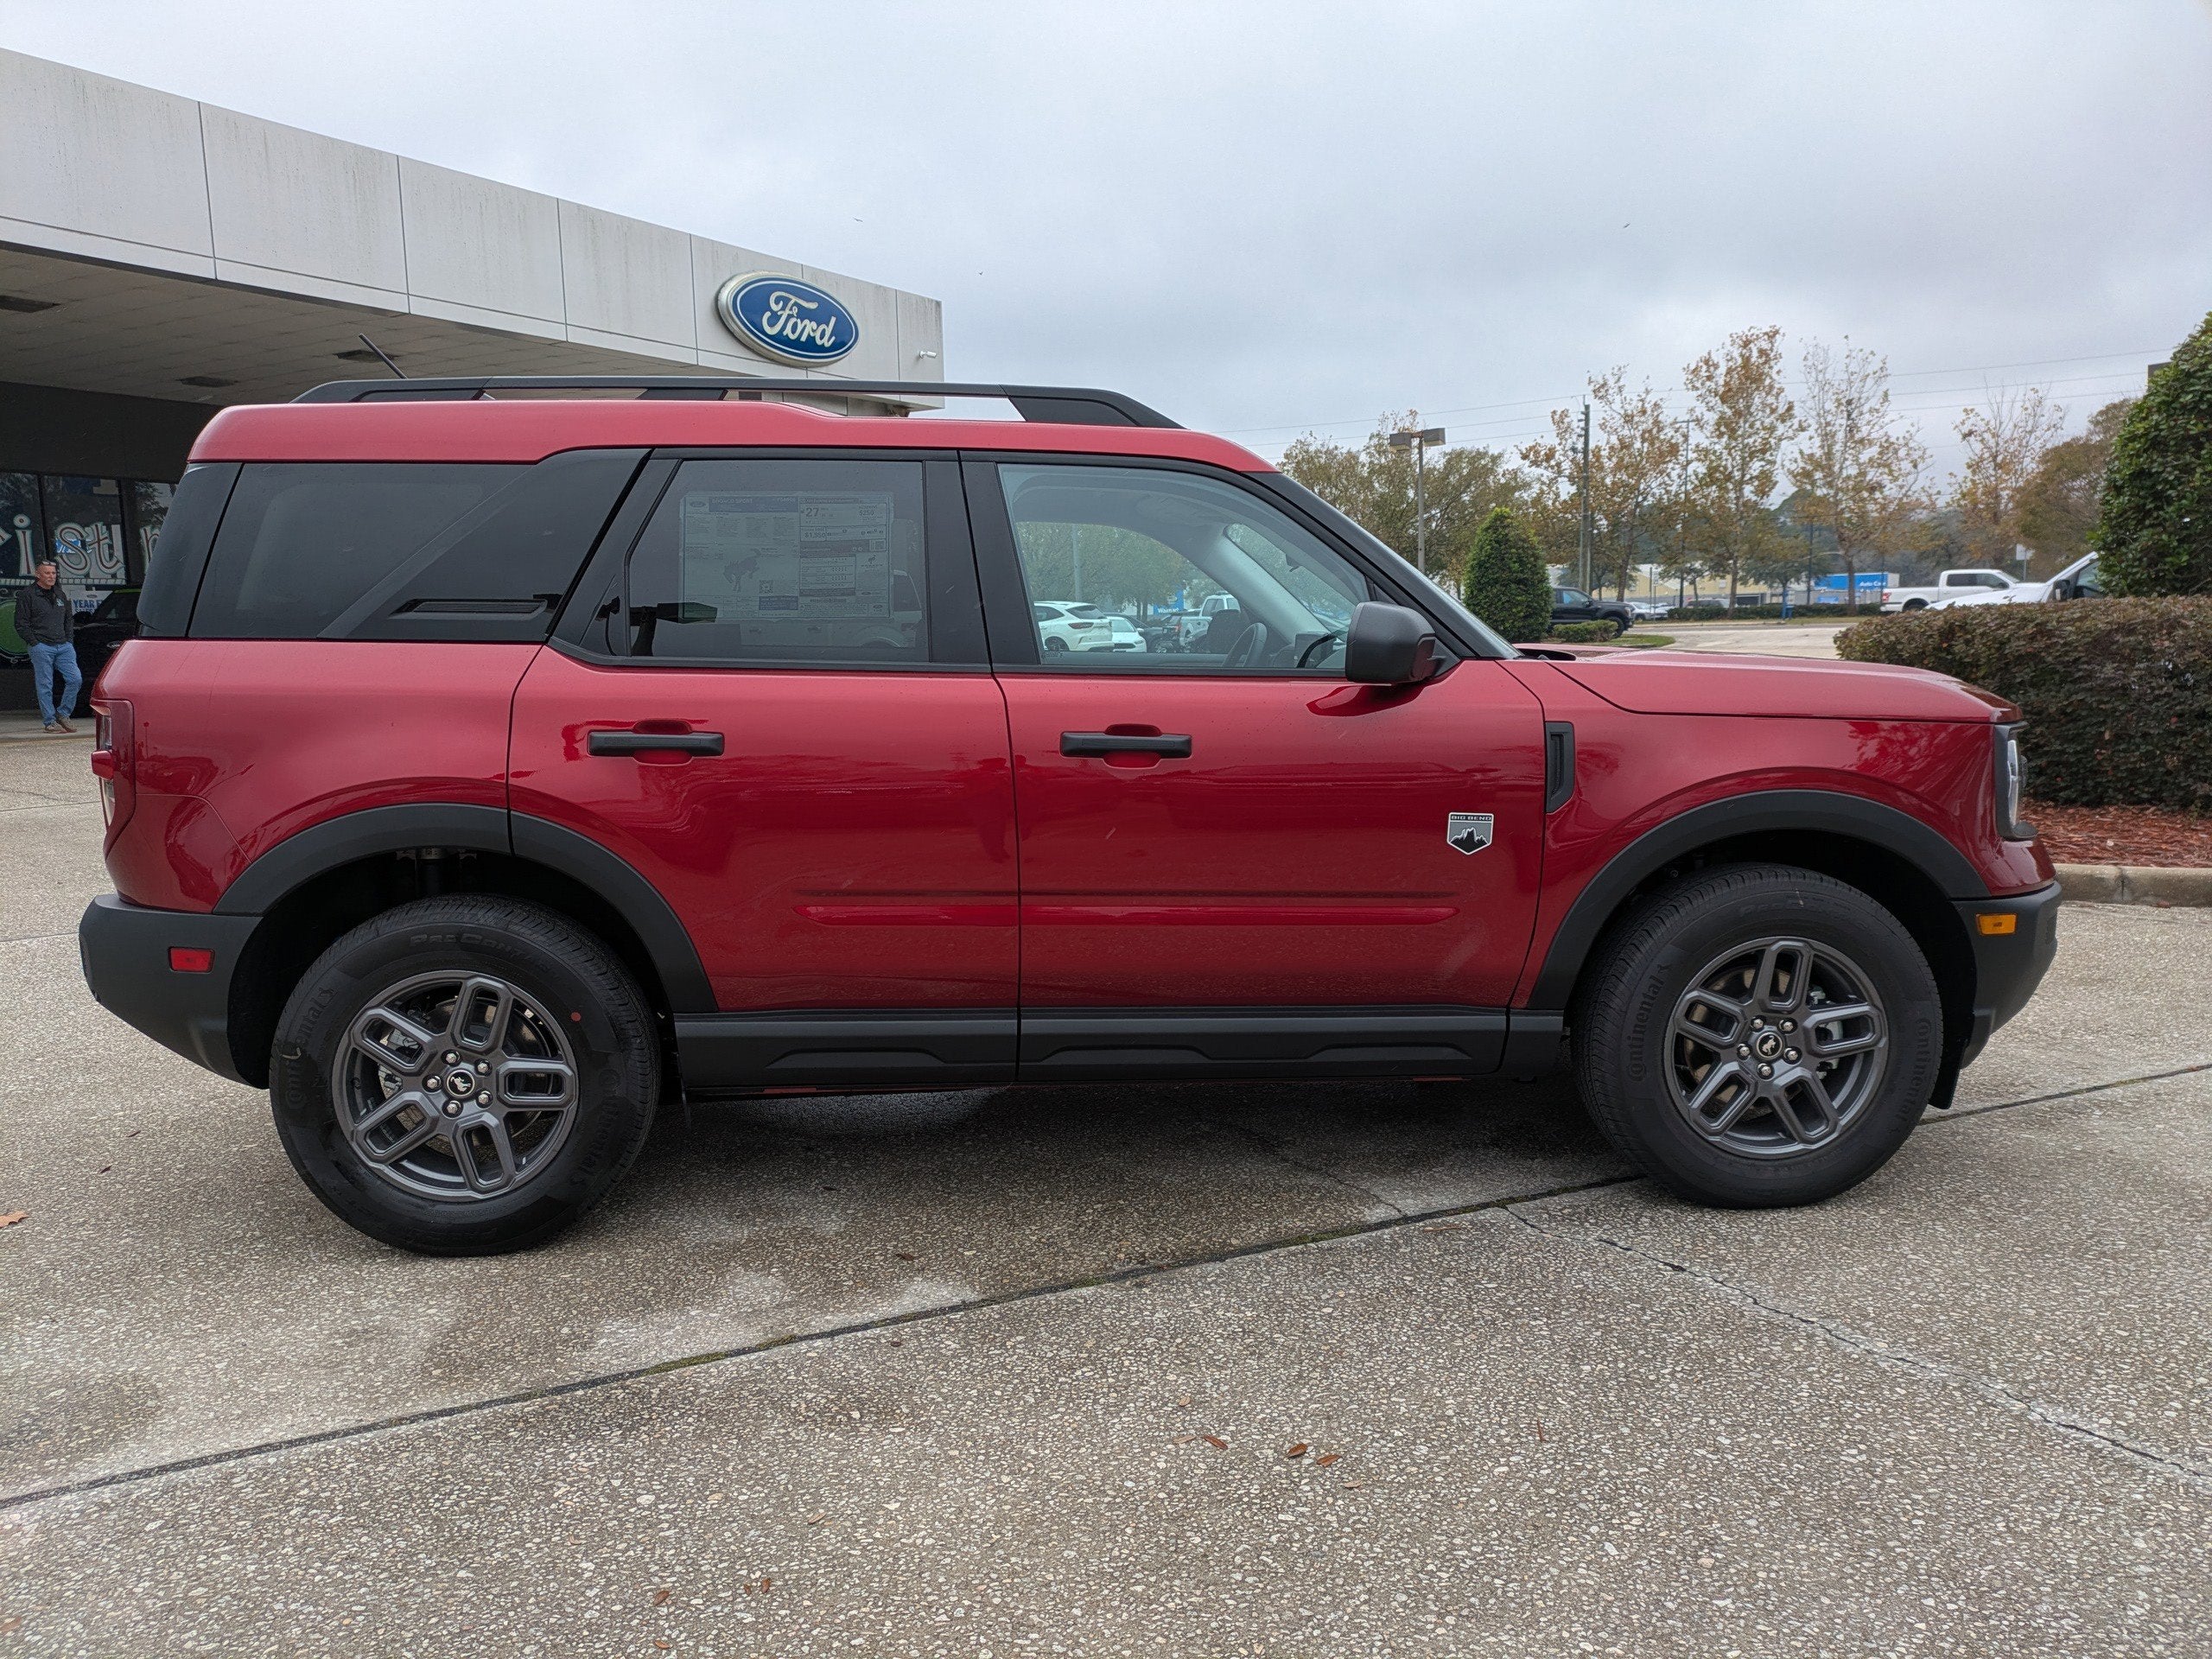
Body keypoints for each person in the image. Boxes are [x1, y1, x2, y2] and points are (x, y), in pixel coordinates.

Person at [14, 556, 82, 733]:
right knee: (45, 684)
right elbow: (21, 623)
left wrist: (69, 640)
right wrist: (34, 643)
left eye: (53, 573)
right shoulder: (27, 595)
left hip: (64, 646)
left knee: (75, 679)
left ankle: (63, 713)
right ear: (38, 575)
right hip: (41, 646)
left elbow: (68, 620)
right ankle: (49, 721)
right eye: (47, 573)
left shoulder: (60, 594)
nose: (51, 576)